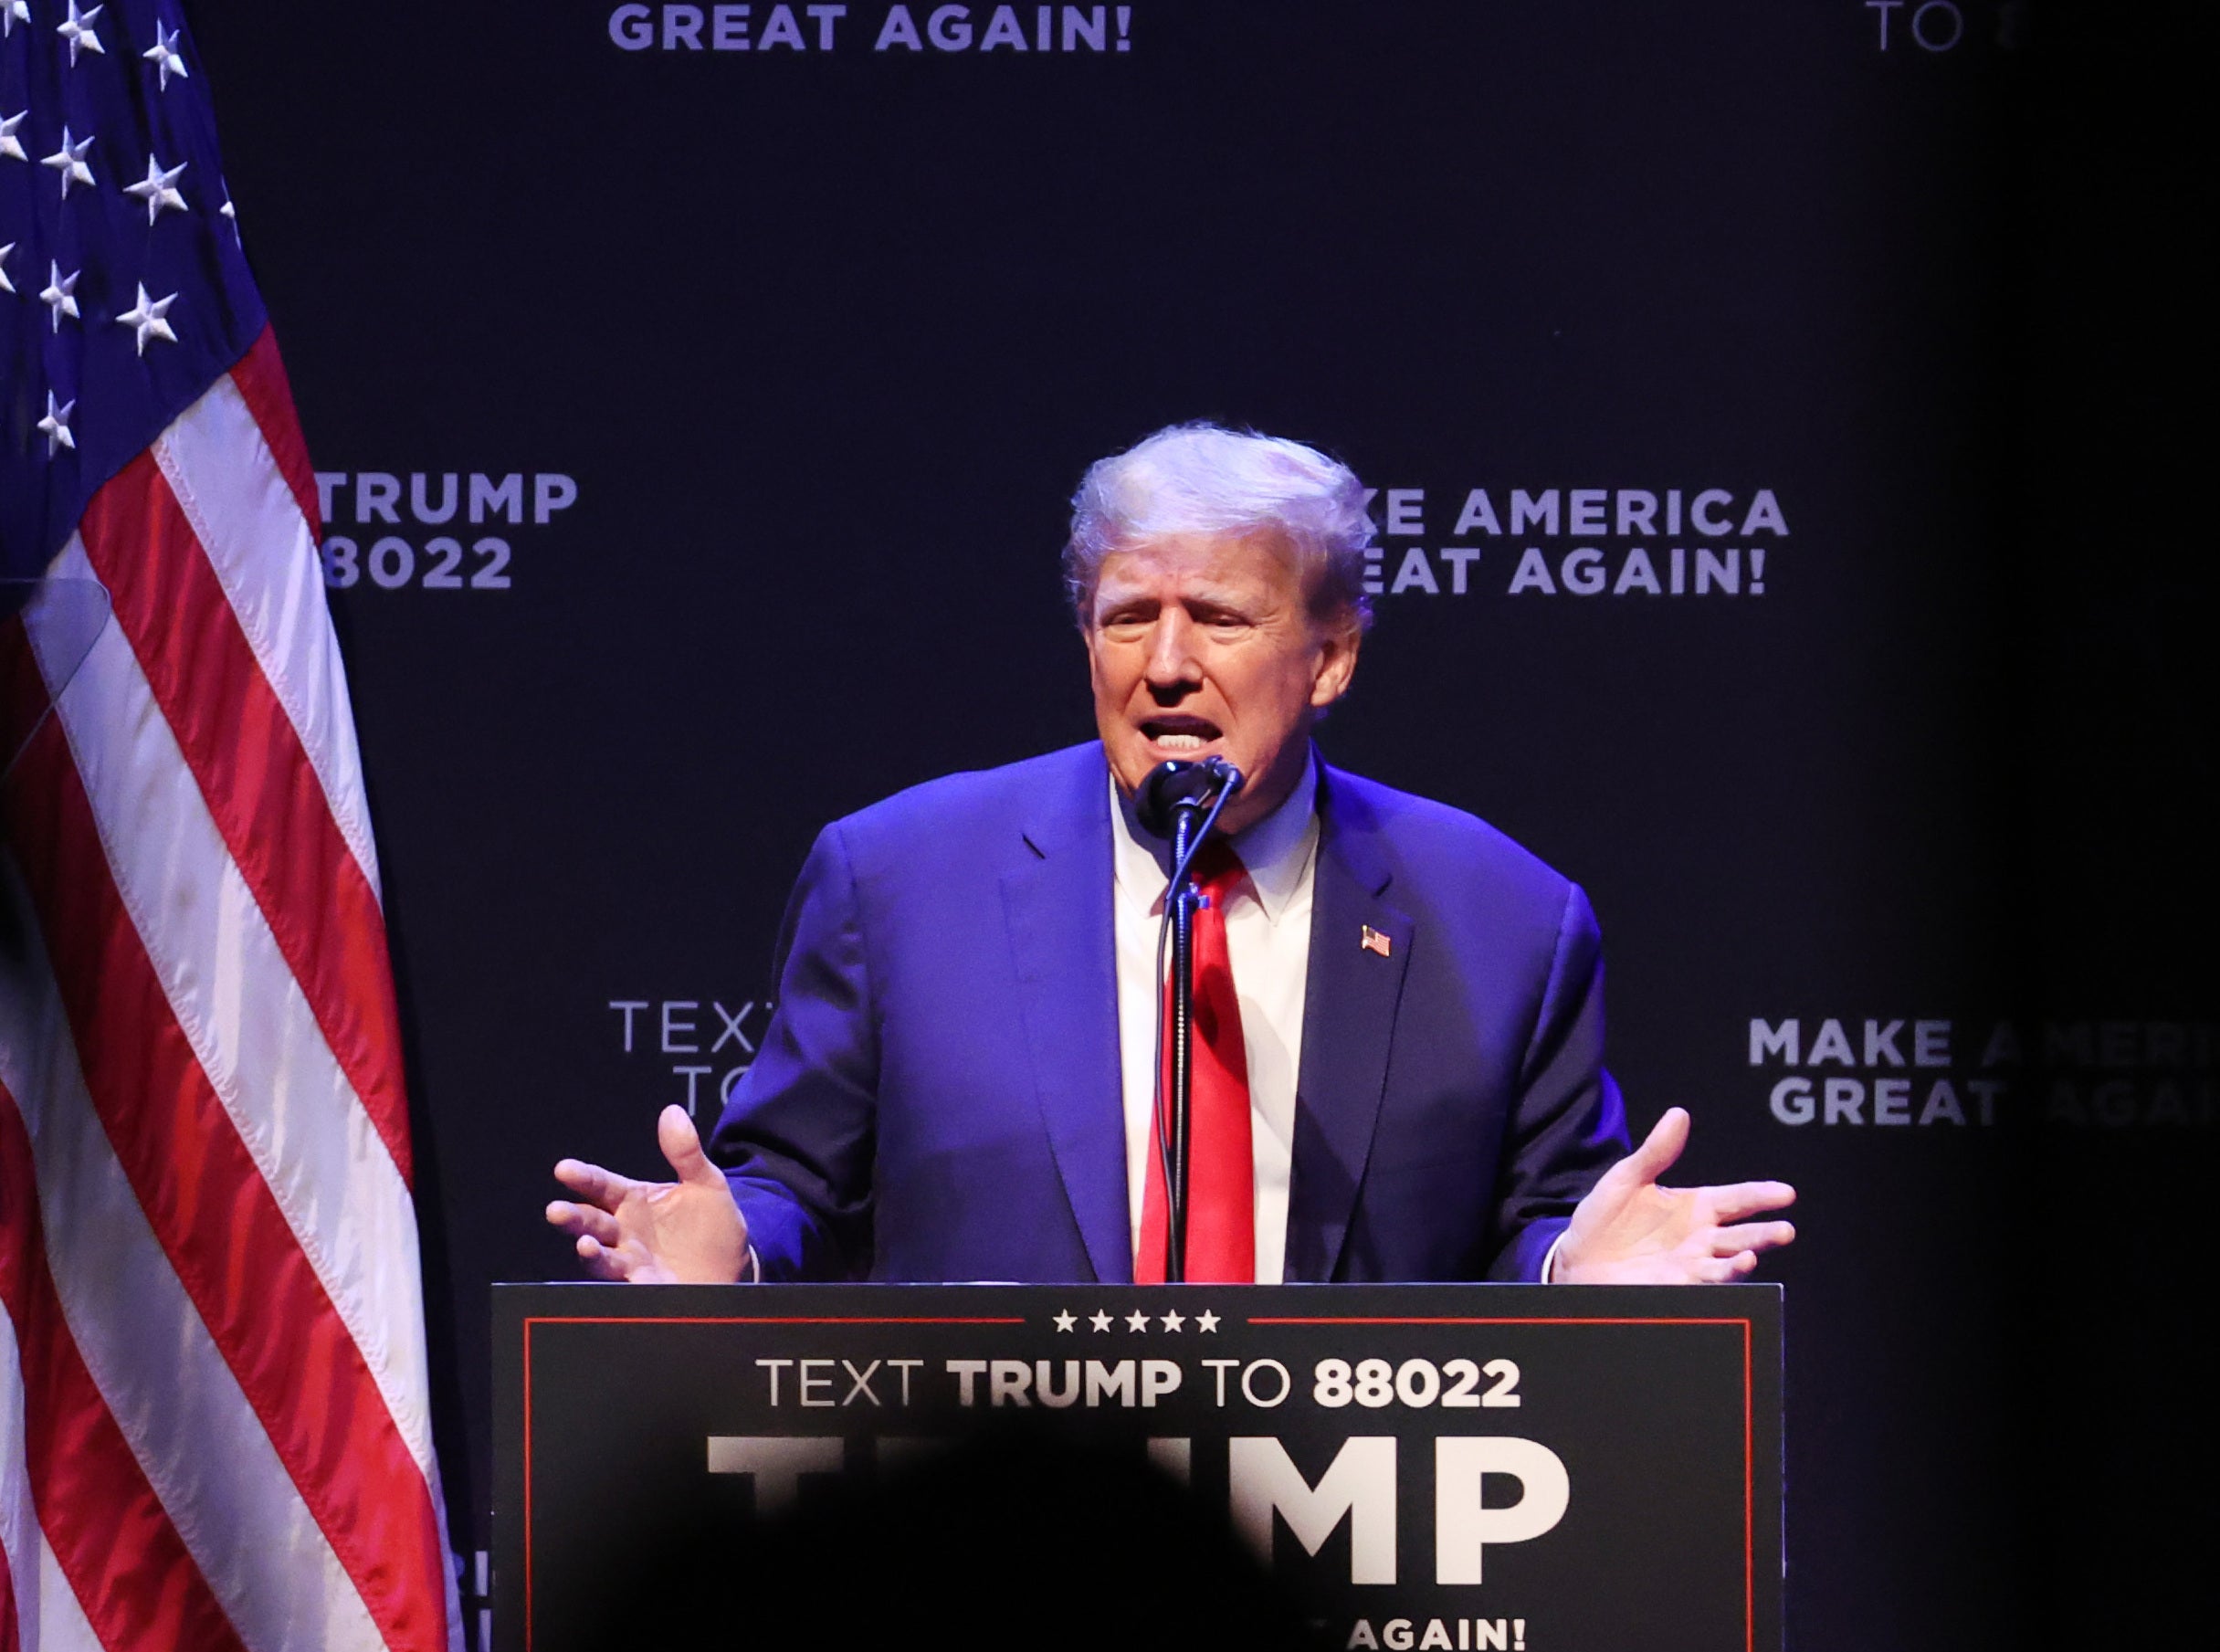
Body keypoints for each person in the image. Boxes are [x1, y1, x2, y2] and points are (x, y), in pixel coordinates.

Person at [547, 425, 1794, 1285]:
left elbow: (1541, 1220)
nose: (1165, 665)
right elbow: (793, 1184)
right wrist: (733, 1246)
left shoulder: (1500, 916)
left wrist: (1579, 1265)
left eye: (1221, 619)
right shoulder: (897, 879)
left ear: (1333, 657)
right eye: (1128, 616)